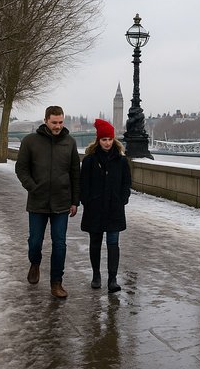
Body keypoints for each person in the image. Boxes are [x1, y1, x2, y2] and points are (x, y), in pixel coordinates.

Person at [15, 105, 80, 298]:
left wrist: (75, 200)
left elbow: (76, 173)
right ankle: (35, 263)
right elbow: (21, 169)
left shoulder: (70, 143)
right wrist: (33, 187)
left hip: (62, 202)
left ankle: (56, 283)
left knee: (59, 244)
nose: (58, 126)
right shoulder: (30, 142)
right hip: (38, 202)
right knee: (35, 241)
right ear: (46, 121)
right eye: (54, 122)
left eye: (61, 122)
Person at [80, 118, 131, 293]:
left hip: (114, 208)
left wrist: (122, 199)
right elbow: (83, 184)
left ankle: (112, 280)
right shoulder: (89, 161)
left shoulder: (122, 161)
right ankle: (96, 275)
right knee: (95, 243)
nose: (107, 143)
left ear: (113, 139)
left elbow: (126, 183)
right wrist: (87, 201)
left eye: (109, 139)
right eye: (104, 140)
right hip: (94, 208)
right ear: (98, 140)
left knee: (113, 243)